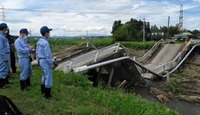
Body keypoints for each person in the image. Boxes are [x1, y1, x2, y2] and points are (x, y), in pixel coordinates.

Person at [36, 26, 54, 99]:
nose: (49, 33)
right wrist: (51, 63)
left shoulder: (39, 41)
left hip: (41, 60)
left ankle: (43, 91)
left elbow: (37, 52)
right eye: (48, 32)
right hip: (45, 60)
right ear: (46, 33)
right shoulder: (45, 43)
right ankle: (47, 95)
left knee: (44, 75)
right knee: (48, 77)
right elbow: (48, 55)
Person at [0, 23, 10, 89]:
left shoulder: (3, 35)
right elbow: (0, 48)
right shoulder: (0, 36)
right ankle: (1, 85)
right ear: (4, 28)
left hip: (6, 53)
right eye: (6, 28)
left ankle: (5, 81)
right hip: (3, 55)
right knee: (2, 69)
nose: (6, 29)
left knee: (5, 69)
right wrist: (4, 57)